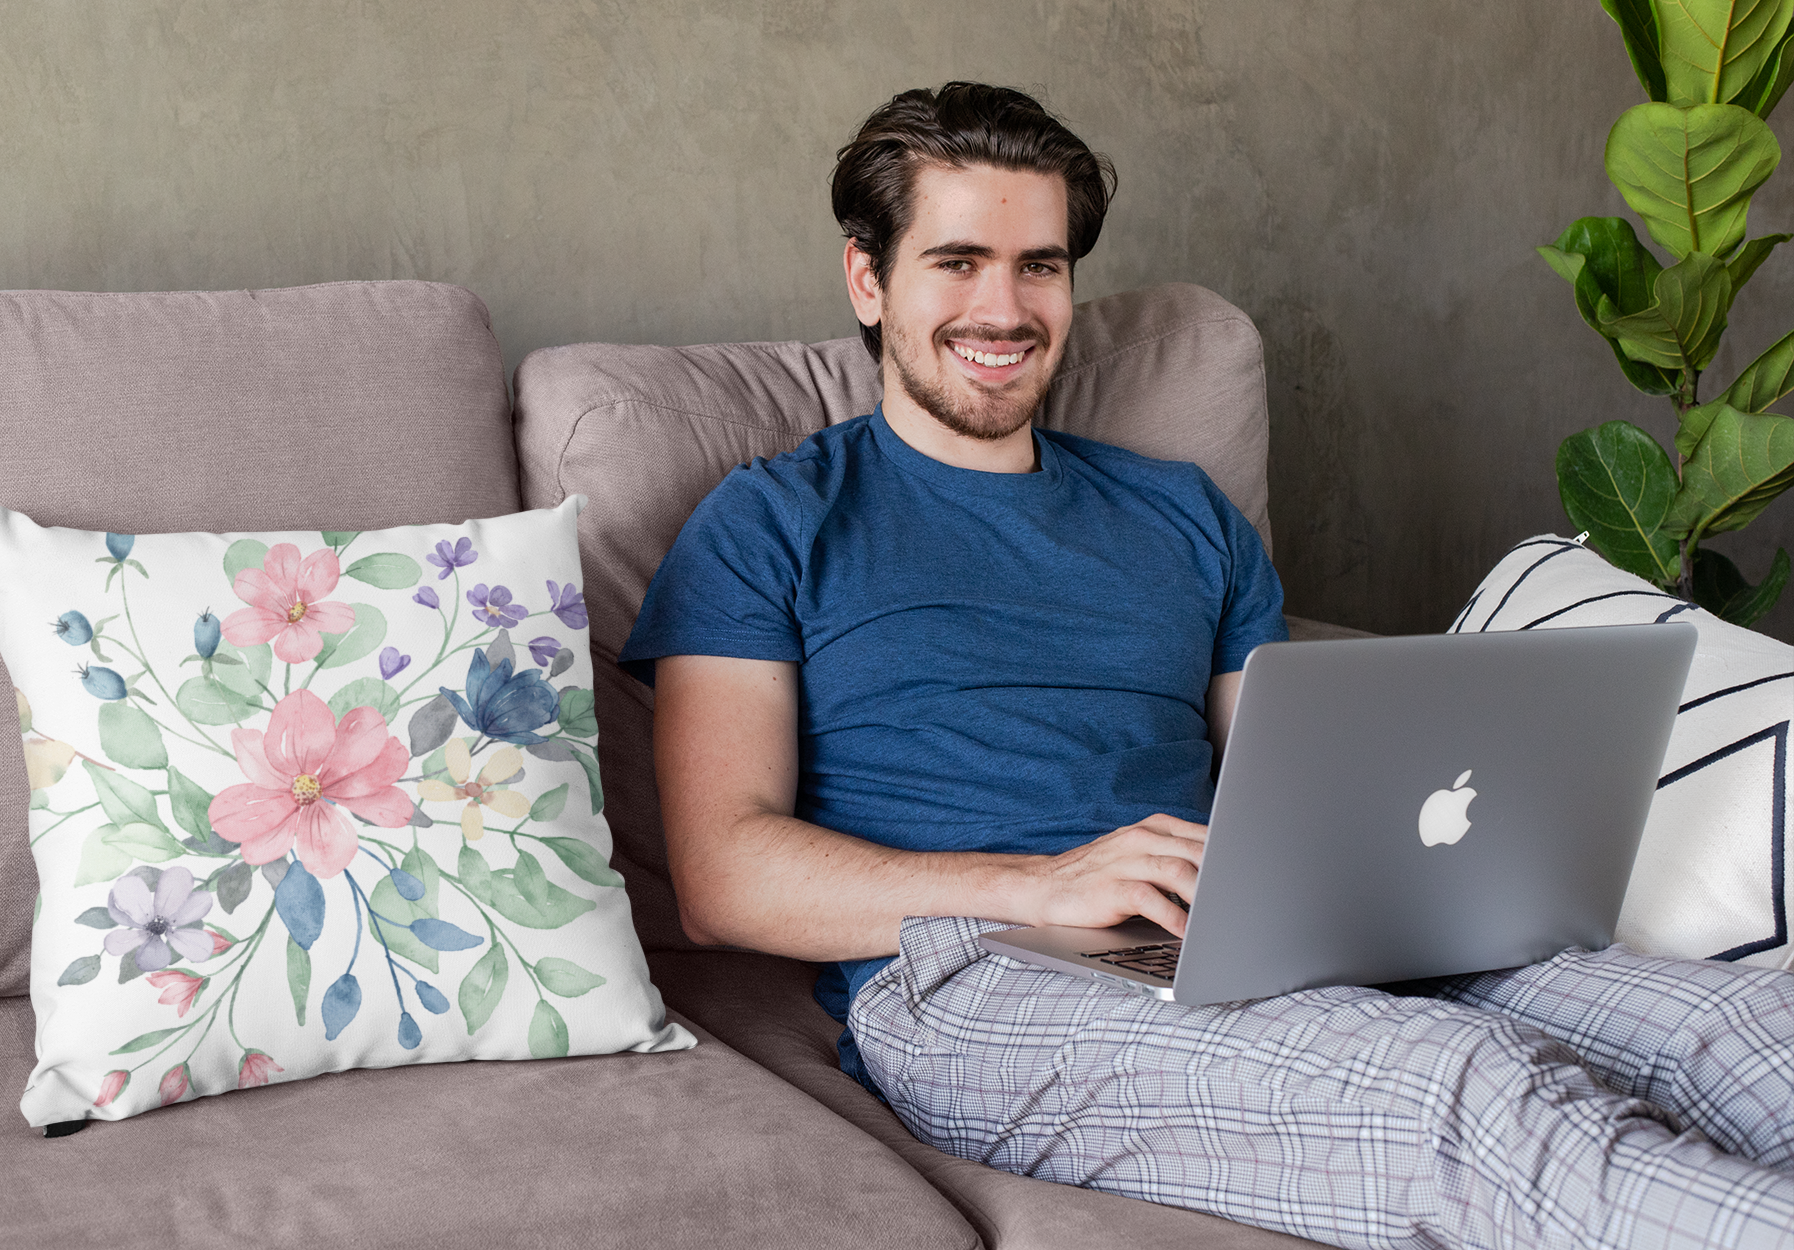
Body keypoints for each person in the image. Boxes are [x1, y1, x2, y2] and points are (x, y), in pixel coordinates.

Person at [620, 82, 1794, 1249]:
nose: (1006, 306)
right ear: (869, 279)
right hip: (971, 974)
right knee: (1469, 1098)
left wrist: (1411, 887)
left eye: (1040, 265)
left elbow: (1303, 777)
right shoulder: (773, 521)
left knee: (1747, 1035)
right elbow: (724, 878)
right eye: (958, 261)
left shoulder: (1180, 514)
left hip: (1239, 928)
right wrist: (1039, 885)